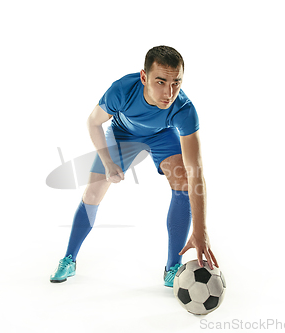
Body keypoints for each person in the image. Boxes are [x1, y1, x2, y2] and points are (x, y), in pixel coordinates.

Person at [50, 45, 218, 287]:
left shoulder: (184, 109)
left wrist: (200, 230)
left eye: (176, 83)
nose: (168, 93)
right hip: (122, 133)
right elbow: (93, 122)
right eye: (160, 82)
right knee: (93, 191)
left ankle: (173, 268)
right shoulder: (122, 89)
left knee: (182, 181)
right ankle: (69, 259)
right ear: (144, 77)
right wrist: (108, 162)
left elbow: (196, 173)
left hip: (162, 135)